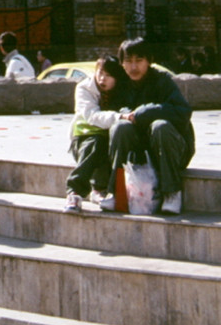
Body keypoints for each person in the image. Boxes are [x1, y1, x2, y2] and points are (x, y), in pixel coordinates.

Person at [109, 36, 195, 215]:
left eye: (139, 61)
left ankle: (172, 192)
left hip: (171, 149)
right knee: (120, 126)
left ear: (149, 61)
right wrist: (126, 113)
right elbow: (111, 109)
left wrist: (146, 112)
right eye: (128, 61)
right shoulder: (121, 84)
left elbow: (183, 111)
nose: (133, 67)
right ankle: (115, 191)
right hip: (140, 152)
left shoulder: (162, 81)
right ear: (122, 63)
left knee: (160, 125)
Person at [63, 54, 129, 212]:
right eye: (100, 73)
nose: (102, 79)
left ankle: (100, 189)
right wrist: (119, 116)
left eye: (108, 75)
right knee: (96, 144)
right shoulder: (85, 88)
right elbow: (91, 116)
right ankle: (74, 192)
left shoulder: (122, 90)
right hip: (84, 137)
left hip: (108, 136)